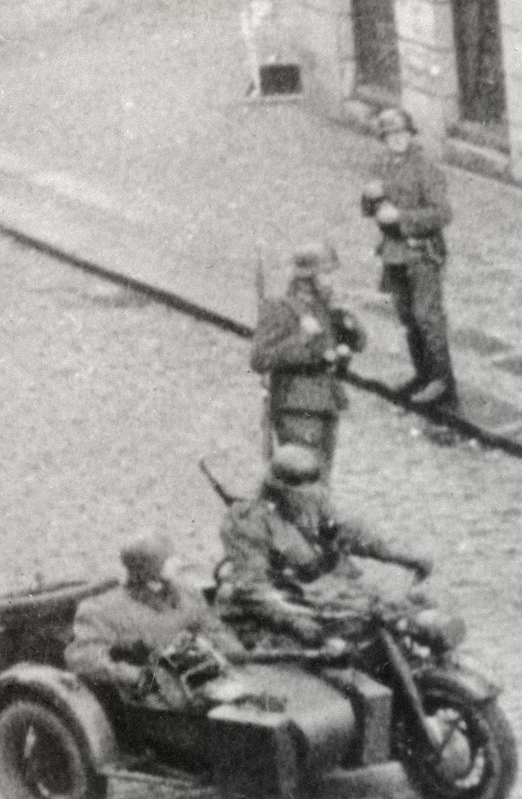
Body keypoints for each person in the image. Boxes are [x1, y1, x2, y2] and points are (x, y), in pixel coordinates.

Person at [217, 445, 434, 647]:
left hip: (325, 593)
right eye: (301, 492)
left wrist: (402, 556)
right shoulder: (249, 522)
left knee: (408, 612)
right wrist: (292, 621)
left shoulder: (314, 501)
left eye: (313, 488)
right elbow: (253, 588)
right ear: (280, 490)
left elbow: (349, 534)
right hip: (282, 603)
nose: (311, 497)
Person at [68, 533, 245, 705]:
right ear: (150, 568)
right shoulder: (102, 609)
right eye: (169, 559)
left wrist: (240, 654)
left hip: (198, 679)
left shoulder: (186, 592)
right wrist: (139, 676)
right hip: (150, 694)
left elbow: (212, 629)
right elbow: (84, 660)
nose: (179, 562)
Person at [362, 106, 457, 415]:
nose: (397, 140)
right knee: (407, 316)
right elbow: (370, 208)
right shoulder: (382, 165)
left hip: (421, 251)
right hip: (394, 252)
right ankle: (423, 374)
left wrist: (401, 216)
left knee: (428, 316)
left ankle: (441, 380)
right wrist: (369, 197)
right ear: (383, 139)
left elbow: (443, 214)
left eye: (402, 134)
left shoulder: (425, 168)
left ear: (410, 134)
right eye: (390, 135)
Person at [251, 242, 364, 477]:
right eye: (327, 274)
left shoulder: (326, 310)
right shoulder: (280, 308)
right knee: (301, 476)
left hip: (327, 404)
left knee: (321, 478)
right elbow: (260, 360)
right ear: (306, 277)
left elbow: (358, 344)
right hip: (296, 406)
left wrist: (347, 322)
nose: (334, 281)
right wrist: (301, 339)